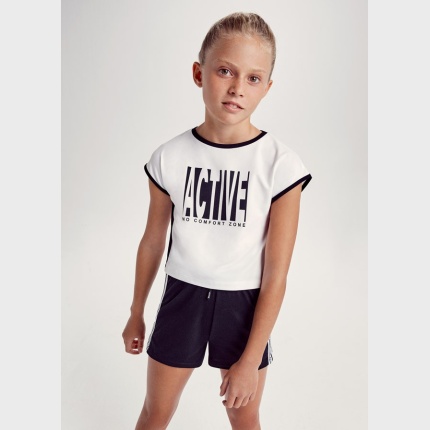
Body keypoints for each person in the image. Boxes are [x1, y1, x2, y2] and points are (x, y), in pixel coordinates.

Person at [122, 11, 312, 430]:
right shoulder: (169, 157)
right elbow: (152, 241)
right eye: (225, 71)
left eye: (253, 78)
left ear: (267, 87)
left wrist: (250, 357)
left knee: (244, 417)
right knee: (156, 412)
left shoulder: (280, 166)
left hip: (244, 308)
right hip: (182, 297)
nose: (237, 88)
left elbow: (277, 273)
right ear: (199, 73)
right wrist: (136, 312)